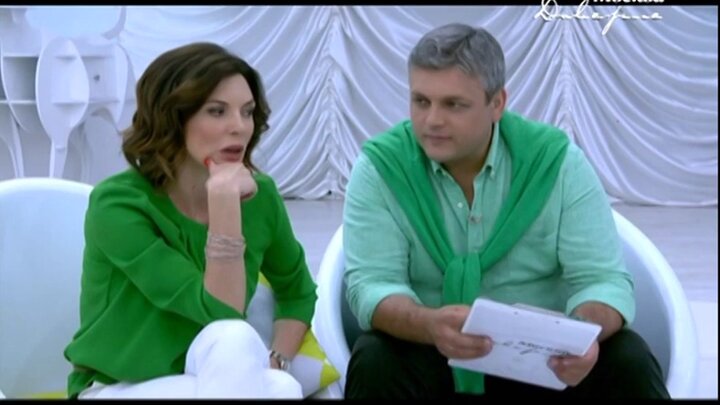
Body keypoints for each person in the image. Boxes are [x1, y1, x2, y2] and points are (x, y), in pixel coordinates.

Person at [342, 23, 670, 399]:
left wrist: (580, 337)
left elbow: (602, 280)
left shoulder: (556, 163)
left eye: (453, 104)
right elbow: (373, 284)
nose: (432, 120)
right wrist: (429, 324)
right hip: (433, 352)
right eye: (421, 101)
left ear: (497, 103)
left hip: (547, 363)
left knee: (627, 358)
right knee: (375, 358)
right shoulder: (382, 168)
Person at [63, 42, 318, 399]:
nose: (239, 127)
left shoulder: (261, 198)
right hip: (116, 386)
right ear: (173, 117)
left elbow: (298, 291)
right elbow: (220, 312)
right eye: (217, 111)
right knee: (252, 357)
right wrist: (225, 206)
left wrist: (278, 360)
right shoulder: (118, 204)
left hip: (219, 376)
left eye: (247, 112)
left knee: (280, 384)